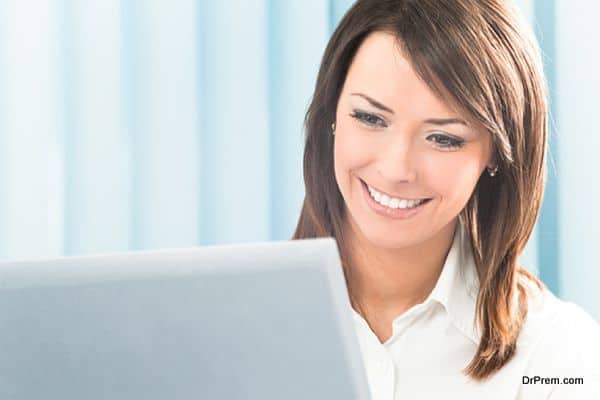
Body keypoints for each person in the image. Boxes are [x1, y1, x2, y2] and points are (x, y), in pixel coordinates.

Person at [292, 0, 600, 398]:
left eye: (443, 138)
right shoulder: (242, 322)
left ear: (496, 154)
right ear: (331, 114)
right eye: (370, 118)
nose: (395, 168)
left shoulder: (559, 357)